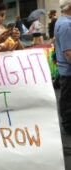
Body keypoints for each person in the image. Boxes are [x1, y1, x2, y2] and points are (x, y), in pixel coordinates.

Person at [54, 0, 71, 134]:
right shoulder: (66, 24)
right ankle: (68, 125)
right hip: (68, 71)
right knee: (67, 99)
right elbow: (68, 52)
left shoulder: (62, 21)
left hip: (66, 71)